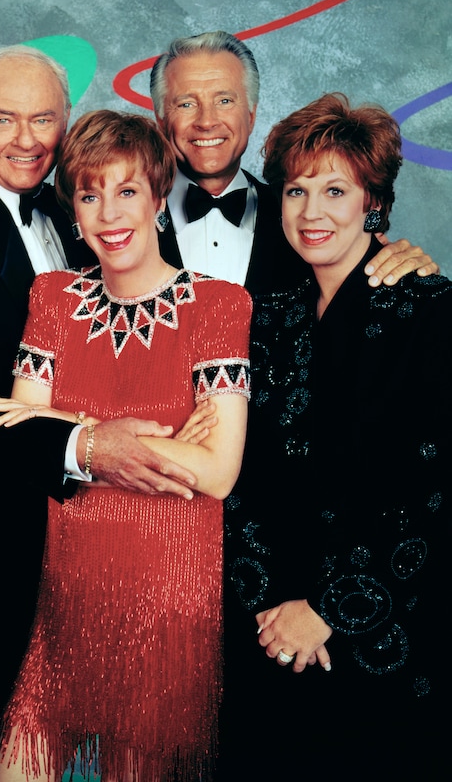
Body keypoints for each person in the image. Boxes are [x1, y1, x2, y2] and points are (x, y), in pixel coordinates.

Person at [0, 45, 199, 772]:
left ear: (66, 121)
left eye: (44, 119)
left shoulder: (86, 204)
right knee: (1, 750)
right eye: (4, 119)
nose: (26, 139)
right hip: (1, 559)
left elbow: (164, 324)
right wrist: (86, 447)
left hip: (127, 543)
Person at [0, 109, 252, 781]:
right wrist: (120, 437)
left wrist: (67, 422)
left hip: (168, 607)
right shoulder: (52, 297)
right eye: (89, 194)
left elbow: (217, 472)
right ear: (72, 210)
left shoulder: (218, 306)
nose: (108, 213)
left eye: (127, 190)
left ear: (159, 199)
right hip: (65, 605)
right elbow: (18, 436)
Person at [222, 93, 451, 778]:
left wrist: (327, 609)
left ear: (372, 202)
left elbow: (433, 490)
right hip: (271, 632)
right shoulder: (268, 317)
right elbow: (240, 479)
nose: (311, 212)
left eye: (334, 190)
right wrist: (272, 611)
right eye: (296, 191)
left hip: (390, 633)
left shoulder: (432, 312)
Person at [149, 29, 438, 293]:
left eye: (224, 101)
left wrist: (407, 266)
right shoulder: (129, 222)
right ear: (161, 119)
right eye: (186, 104)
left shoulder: (304, 219)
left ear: (251, 114)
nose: (206, 121)